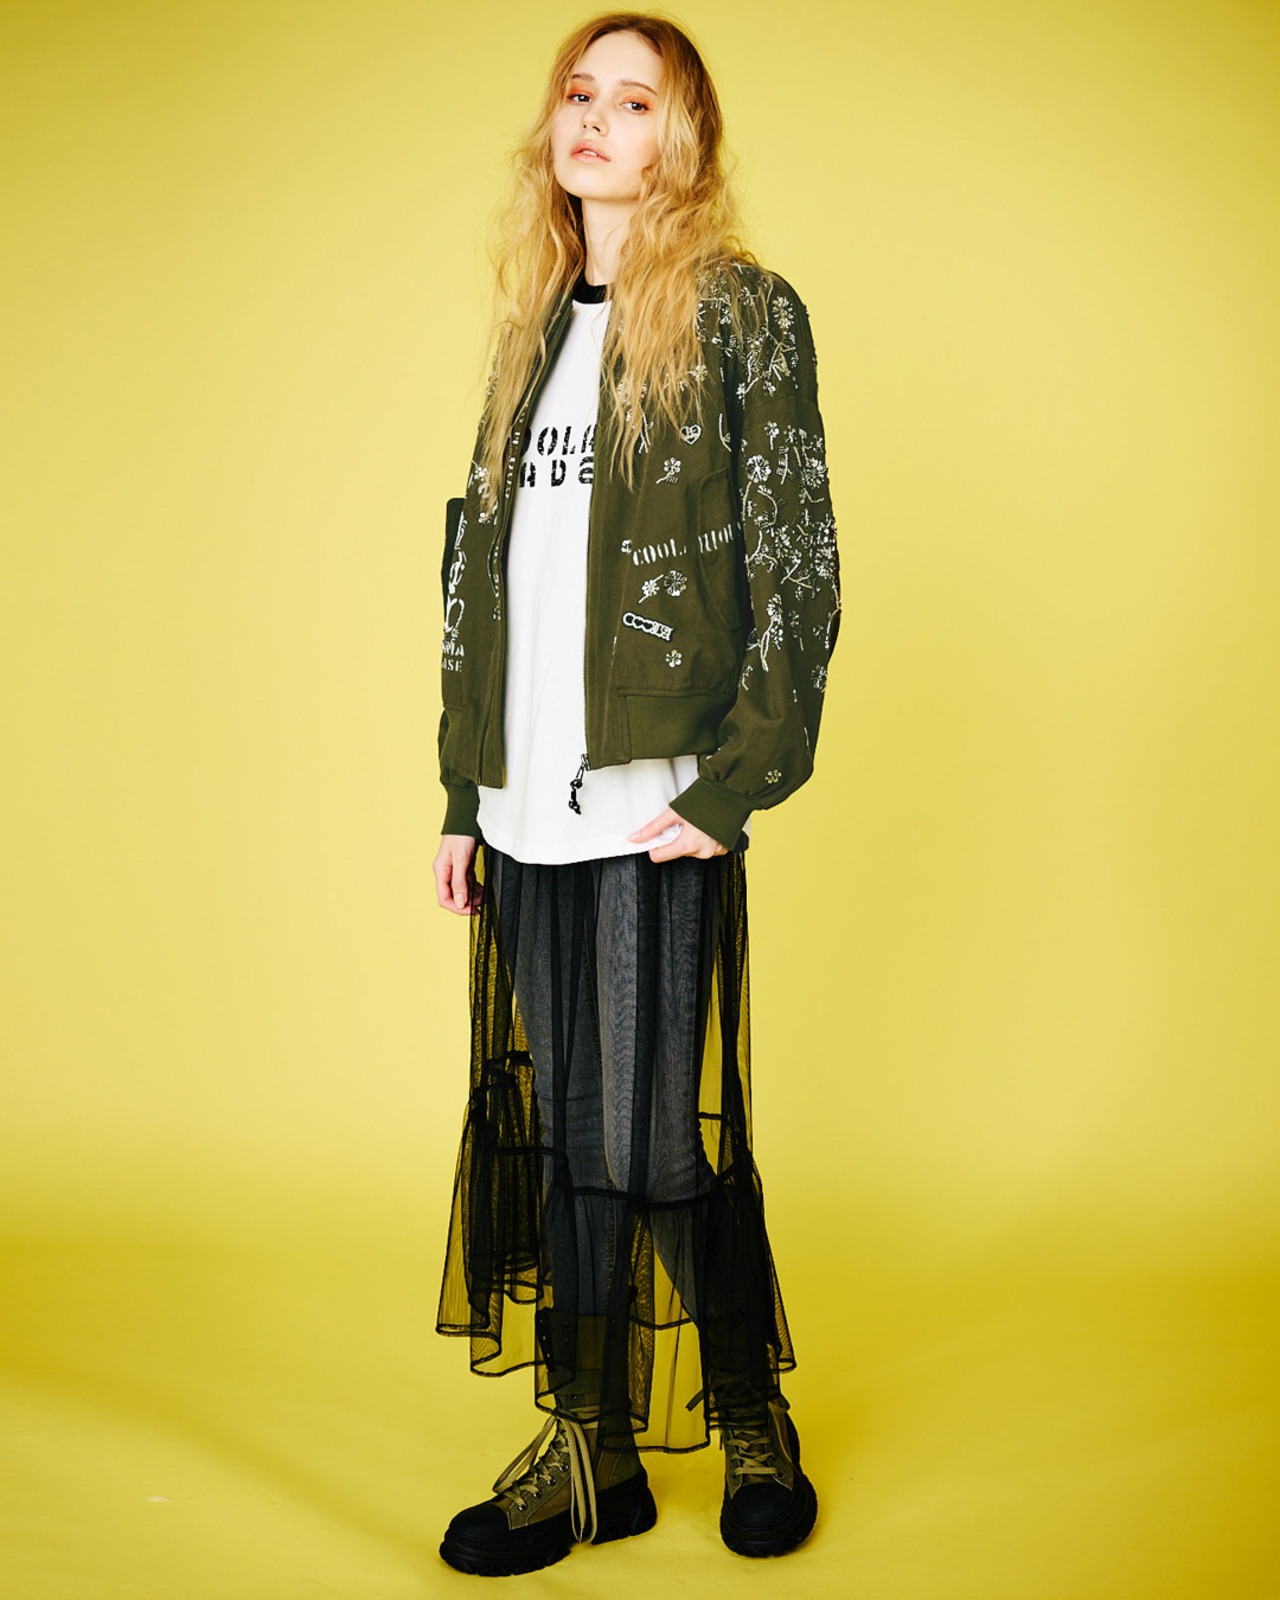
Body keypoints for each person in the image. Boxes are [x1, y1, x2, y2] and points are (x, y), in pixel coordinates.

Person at [430, 11, 840, 1577]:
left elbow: (798, 565)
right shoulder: (530, 331)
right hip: (525, 809)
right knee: (569, 1137)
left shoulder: (741, 316)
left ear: (685, 140)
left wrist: (739, 783)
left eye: (636, 100)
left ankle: (746, 1414)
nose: (595, 118)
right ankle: (593, 1449)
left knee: (659, 1144)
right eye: (577, 93)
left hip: (655, 801)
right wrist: (460, 792)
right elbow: (478, 581)